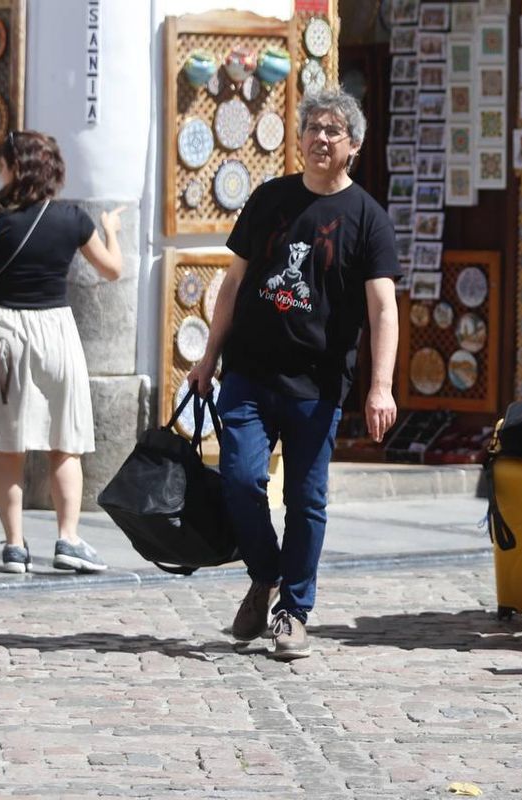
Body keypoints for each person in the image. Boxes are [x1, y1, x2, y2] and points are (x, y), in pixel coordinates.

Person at [188, 87, 400, 661]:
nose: (321, 138)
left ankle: (292, 613)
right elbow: (233, 283)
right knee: (238, 478)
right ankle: (267, 573)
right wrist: (208, 358)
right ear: (300, 138)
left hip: (318, 384)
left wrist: (380, 387)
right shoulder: (268, 199)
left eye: (334, 131)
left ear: (352, 145)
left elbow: (383, 310)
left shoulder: (368, 220)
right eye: (314, 128)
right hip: (249, 374)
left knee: (307, 500)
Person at [0, 131, 124, 574]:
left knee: (8, 449)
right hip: (56, 332)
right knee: (64, 445)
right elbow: (113, 269)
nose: (0, 169)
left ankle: (15, 547)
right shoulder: (71, 218)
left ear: (17, 168)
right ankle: (67, 539)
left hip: (7, 334)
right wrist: (111, 231)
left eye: (4, 162)